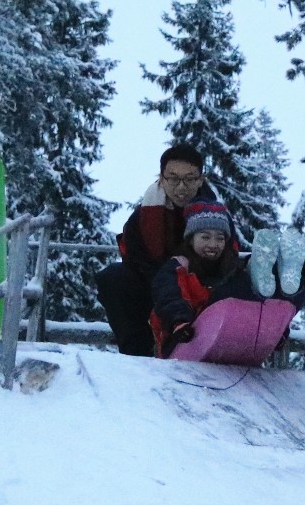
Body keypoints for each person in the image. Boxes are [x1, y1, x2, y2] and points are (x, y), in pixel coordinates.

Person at [95, 144, 234, 356]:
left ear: (200, 179)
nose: (181, 187)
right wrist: (166, 284)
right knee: (114, 278)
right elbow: (134, 259)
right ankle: (136, 353)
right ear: (162, 178)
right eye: (173, 178)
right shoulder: (144, 216)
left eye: (189, 179)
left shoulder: (214, 216)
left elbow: (228, 257)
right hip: (154, 286)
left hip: (199, 290)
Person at [150, 202, 305, 357]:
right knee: (236, 288)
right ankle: (262, 272)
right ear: (191, 239)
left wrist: (278, 332)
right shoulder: (179, 266)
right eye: (205, 237)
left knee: (254, 286)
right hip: (184, 341)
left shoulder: (231, 267)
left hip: (235, 337)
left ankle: (285, 282)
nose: (213, 244)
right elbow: (168, 296)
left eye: (220, 238)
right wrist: (179, 321)